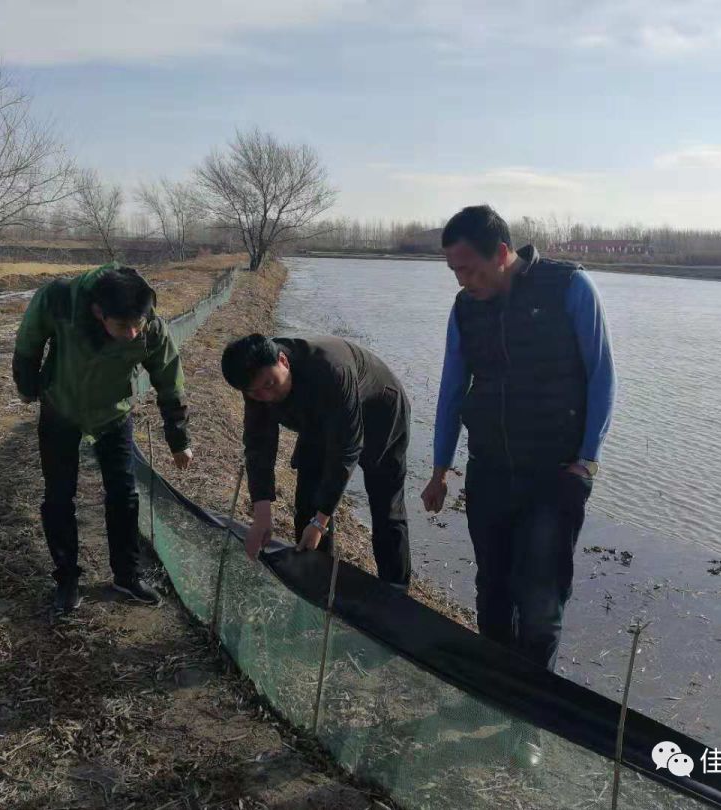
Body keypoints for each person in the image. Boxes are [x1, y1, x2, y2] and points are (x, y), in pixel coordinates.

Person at [422, 205, 616, 672]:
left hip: (555, 474)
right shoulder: (466, 309)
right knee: (492, 589)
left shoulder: (568, 287)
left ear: (503, 253)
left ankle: (533, 708)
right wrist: (439, 470)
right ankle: (493, 690)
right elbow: (452, 388)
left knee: (540, 599)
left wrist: (587, 461)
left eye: (469, 268)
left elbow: (601, 376)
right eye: (454, 270)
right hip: (490, 470)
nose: (462, 280)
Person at [12, 263, 193, 613]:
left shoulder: (149, 325)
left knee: (124, 492)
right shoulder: (59, 300)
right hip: (61, 407)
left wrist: (178, 438)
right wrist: (27, 386)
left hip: (113, 412)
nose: (132, 333)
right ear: (98, 312)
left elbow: (170, 378)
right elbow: (28, 342)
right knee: (59, 495)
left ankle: (127, 575)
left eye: (137, 324)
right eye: (122, 326)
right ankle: (66, 579)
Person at [221, 334, 411, 587]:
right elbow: (258, 445)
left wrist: (321, 522)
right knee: (308, 501)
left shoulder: (330, 370)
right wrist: (262, 512)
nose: (266, 396)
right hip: (318, 420)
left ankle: (395, 589)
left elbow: (346, 449)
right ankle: (315, 582)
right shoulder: (256, 383)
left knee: (385, 505)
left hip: (380, 413)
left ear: (283, 361)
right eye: (255, 393)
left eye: (270, 384)